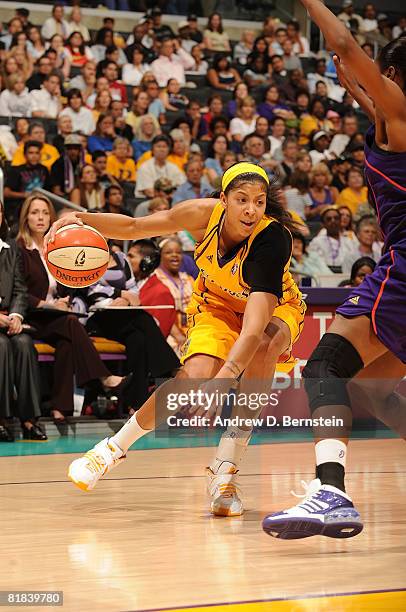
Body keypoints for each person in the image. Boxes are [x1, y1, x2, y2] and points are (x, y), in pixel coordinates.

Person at [47, 161, 306, 517]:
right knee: (192, 376)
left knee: (263, 345)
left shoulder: (272, 239)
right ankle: (109, 450)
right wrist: (83, 218)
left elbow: (253, 327)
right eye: (242, 199)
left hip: (272, 312)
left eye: (259, 202)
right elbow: (136, 226)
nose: (251, 209)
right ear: (223, 200)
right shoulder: (201, 215)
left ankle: (224, 471)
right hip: (216, 304)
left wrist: (227, 377)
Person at [263, 0, 406, 540]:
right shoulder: (387, 119)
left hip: (404, 268)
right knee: (372, 390)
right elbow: (356, 80)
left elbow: (347, 46)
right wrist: (347, 79)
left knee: (325, 368)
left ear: (392, 75)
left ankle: (332, 493)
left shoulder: (401, 112)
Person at [17, 194, 127, 421]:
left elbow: (70, 280)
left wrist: (65, 300)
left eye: (45, 213)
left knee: (67, 342)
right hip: (31, 315)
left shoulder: (57, 245)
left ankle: (60, 408)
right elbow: (16, 288)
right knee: (70, 323)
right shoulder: (18, 248)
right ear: (25, 217)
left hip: (55, 316)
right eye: (35, 212)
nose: (40, 218)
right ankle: (104, 379)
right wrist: (46, 303)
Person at [0, 199, 47, 442]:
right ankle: (1, 418)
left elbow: (19, 289)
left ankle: (30, 419)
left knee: (24, 343)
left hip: (9, 319)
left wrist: (17, 315)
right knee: (2, 346)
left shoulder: (10, 248)